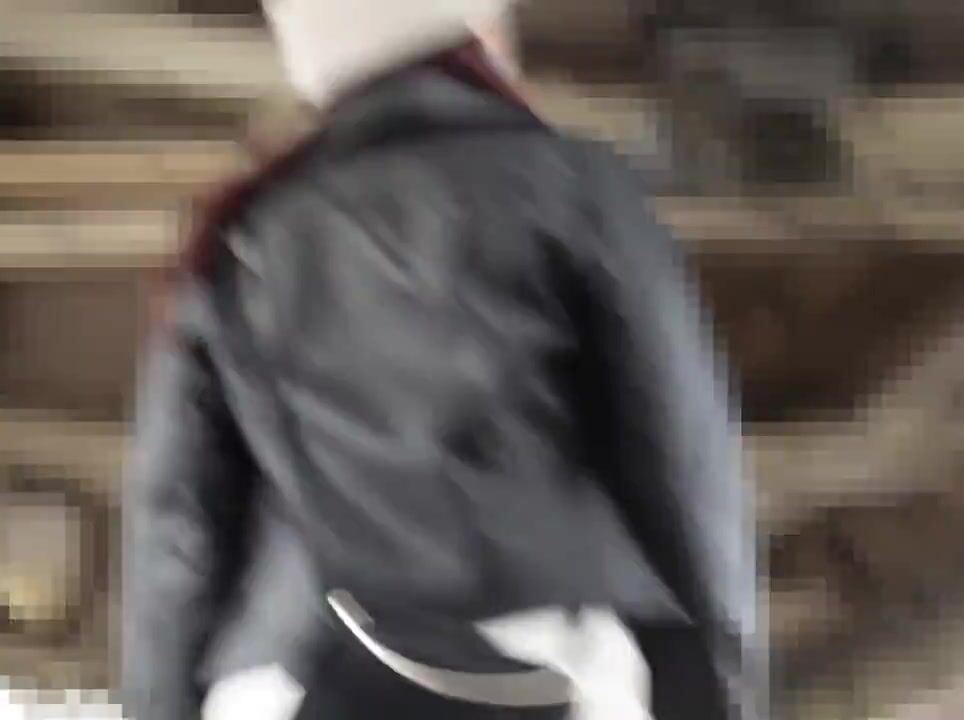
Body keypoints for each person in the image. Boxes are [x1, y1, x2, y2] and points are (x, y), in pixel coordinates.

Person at [121, 1, 762, 719]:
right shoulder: (573, 185)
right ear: (477, 41)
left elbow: (177, 531)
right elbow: (682, 456)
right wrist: (723, 684)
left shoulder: (241, 237)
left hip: (292, 676)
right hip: (543, 658)